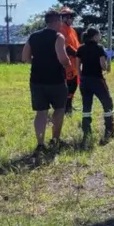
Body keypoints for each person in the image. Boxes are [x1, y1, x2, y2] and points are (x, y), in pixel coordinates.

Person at [22, 10, 72, 155]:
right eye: (61, 21)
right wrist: (69, 65)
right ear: (57, 21)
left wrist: (38, 63)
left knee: (41, 113)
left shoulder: (33, 36)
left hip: (37, 80)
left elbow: (25, 57)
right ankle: (55, 139)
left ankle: (40, 144)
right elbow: (62, 58)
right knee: (59, 109)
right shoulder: (58, 36)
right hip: (55, 79)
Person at [76, 27, 114, 140]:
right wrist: (107, 66)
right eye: (99, 35)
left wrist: (80, 77)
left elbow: (77, 65)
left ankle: (86, 129)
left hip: (84, 80)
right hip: (97, 79)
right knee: (107, 102)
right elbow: (102, 66)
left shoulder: (80, 48)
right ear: (95, 36)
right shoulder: (99, 48)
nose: (100, 36)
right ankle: (109, 128)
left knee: (86, 105)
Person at [58, 7, 81, 115]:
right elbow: (66, 47)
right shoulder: (61, 29)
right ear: (63, 18)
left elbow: (77, 45)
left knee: (74, 85)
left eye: (72, 17)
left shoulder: (72, 30)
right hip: (66, 63)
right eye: (69, 17)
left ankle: (69, 104)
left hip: (74, 64)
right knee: (68, 86)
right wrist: (80, 54)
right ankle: (65, 107)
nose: (71, 19)